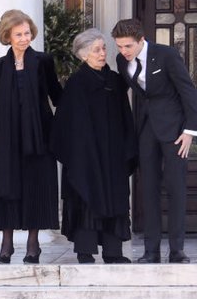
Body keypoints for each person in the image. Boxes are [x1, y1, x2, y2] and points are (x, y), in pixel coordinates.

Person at [0, 9, 62, 264]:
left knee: (36, 187)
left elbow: (57, 96)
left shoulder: (44, 61)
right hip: (7, 139)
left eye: (27, 33)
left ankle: (33, 245)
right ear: (7, 36)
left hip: (39, 138)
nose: (24, 38)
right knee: (7, 187)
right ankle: (6, 245)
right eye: (18, 34)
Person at [112, 18, 197, 264]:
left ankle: (177, 250)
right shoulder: (121, 61)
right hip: (146, 129)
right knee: (148, 189)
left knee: (176, 188)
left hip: (175, 131)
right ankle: (151, 251)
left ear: (141, 40)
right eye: (119, 46)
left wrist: (189, 131)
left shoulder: (166, 55)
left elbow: (188, 91)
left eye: (128, 46)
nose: (123, 52)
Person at [51, 28, 136, 264]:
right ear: (83, 55)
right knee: (87, 198)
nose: (102, 53)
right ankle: (85, 251)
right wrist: (82, 153)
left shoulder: (115, 81)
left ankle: (113, 252)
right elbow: (67, 125)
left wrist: (127, 147)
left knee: (115, 197)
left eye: (103, 48)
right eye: (96, 50)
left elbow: (125, 116)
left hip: (113, 154)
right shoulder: (76, 84)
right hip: (86, 157)